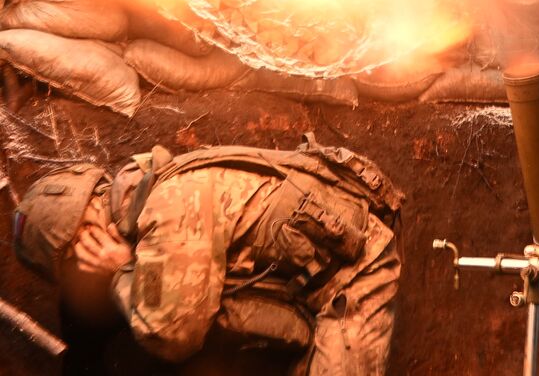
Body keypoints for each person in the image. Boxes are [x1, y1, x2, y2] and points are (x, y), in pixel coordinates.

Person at [13, 135, 404, 375]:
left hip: (354, 273)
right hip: (307, 288)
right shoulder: (143, 207)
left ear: (86, 232)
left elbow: (173, 335)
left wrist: (120, 272)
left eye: (73, 262)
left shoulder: (168, 206)